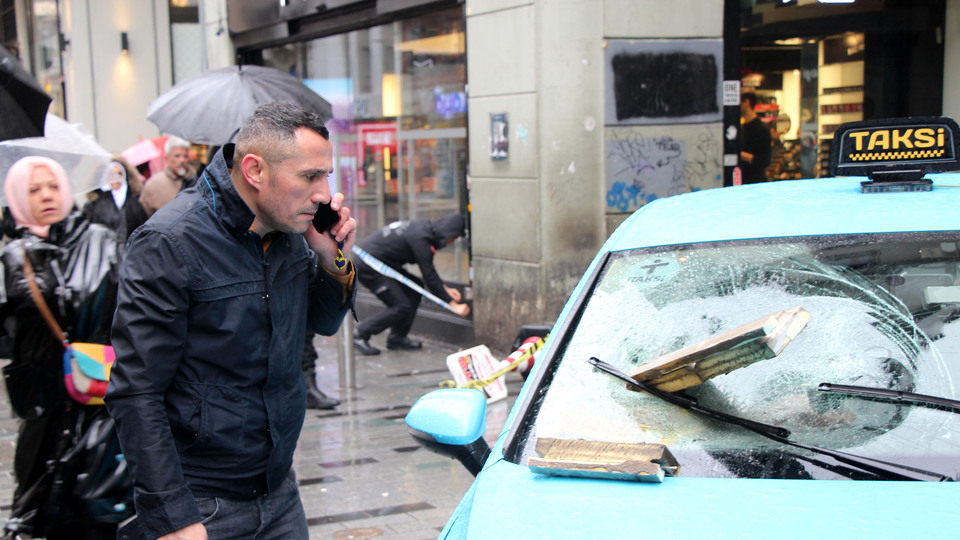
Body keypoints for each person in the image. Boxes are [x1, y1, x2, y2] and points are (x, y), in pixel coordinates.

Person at [105, 101, 357, 540]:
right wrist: (173, 517)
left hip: (278, 488)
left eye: (326, 176)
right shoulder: (169, 241)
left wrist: (332, 257)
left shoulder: (291, 231)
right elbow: (136, 390)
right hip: (201, 502)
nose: (322, 193)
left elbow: (323, 321)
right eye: (310, 176)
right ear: (255, 170)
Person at [0, 156, 133, 539]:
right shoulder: (13, 258)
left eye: (53, 186)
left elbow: (128, 314)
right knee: (46, 520)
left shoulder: (100, 241)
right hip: (43, 417)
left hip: (97, 408)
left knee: (96, 518)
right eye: (33, 190)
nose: (46, 195)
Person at [352, 214, 470, 356]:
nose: (451, 242)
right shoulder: (421, 239)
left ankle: (397, 338)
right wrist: (452, 304)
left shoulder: (424, 229)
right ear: (447, 231)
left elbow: (429, 273)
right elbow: (429, 275)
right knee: (401, 305)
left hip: (382, 263)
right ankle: (360, 333)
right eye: (453, 237)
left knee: (414, 289)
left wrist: (446, 289)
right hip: (369, 265)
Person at [81, 157, 149, 242]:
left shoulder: (136, 200)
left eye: (119, 174)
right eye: (111, 174)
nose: (115, 178)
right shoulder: (94, 203)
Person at [139, 135, 198, 217]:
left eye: (185, 156)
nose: (182, 160)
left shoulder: (199, 179)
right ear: (167, 158)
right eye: (177, 156)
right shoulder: (154, 184)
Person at [739, 91, 772, 184]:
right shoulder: (741, 128)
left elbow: (764, 160)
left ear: (747, 102)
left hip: (756, 183)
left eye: (740, 102)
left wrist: (738, 153)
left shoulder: (761, 129)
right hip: (743, 182)